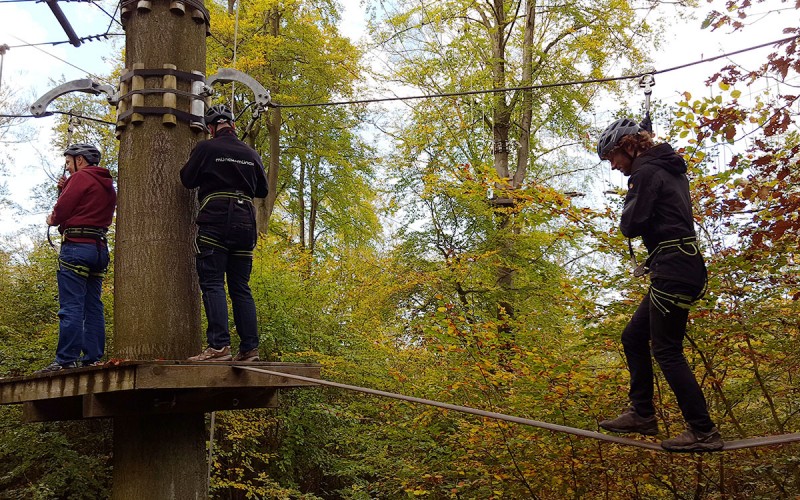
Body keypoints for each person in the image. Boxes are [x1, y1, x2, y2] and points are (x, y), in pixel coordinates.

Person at [596, 118, 724, 452]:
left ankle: (703, 431)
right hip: (678, 265)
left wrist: (631, 196)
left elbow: (631, 225)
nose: (613, 166)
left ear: (628, 146)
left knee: (666, 349)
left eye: (613, 157)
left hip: (675, 267)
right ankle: (642, 412)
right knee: (633, 337)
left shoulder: (646, 173)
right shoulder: (668, 169)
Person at [181, 104, 268, 362]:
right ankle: (250, 348)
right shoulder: (251, 154)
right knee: (240, 286)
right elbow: (261, 190)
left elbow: (187, 179)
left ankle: (219, 346)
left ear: (210, 128)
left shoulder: (206, 148)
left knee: (213, 282)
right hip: (245, 221)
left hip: (217, 218)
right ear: (233, 125)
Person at [39, 143, 117, 372]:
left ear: (79, 160)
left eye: (68, 163)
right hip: (99, 248)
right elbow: (90, 208)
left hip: (76, 247)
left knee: (71, 305)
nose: (68, 168)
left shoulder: (80, 178)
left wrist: (52, 219)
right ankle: (92, 357)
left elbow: (62, 210)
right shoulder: (108, 185)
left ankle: (66, 360)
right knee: (93, 305)